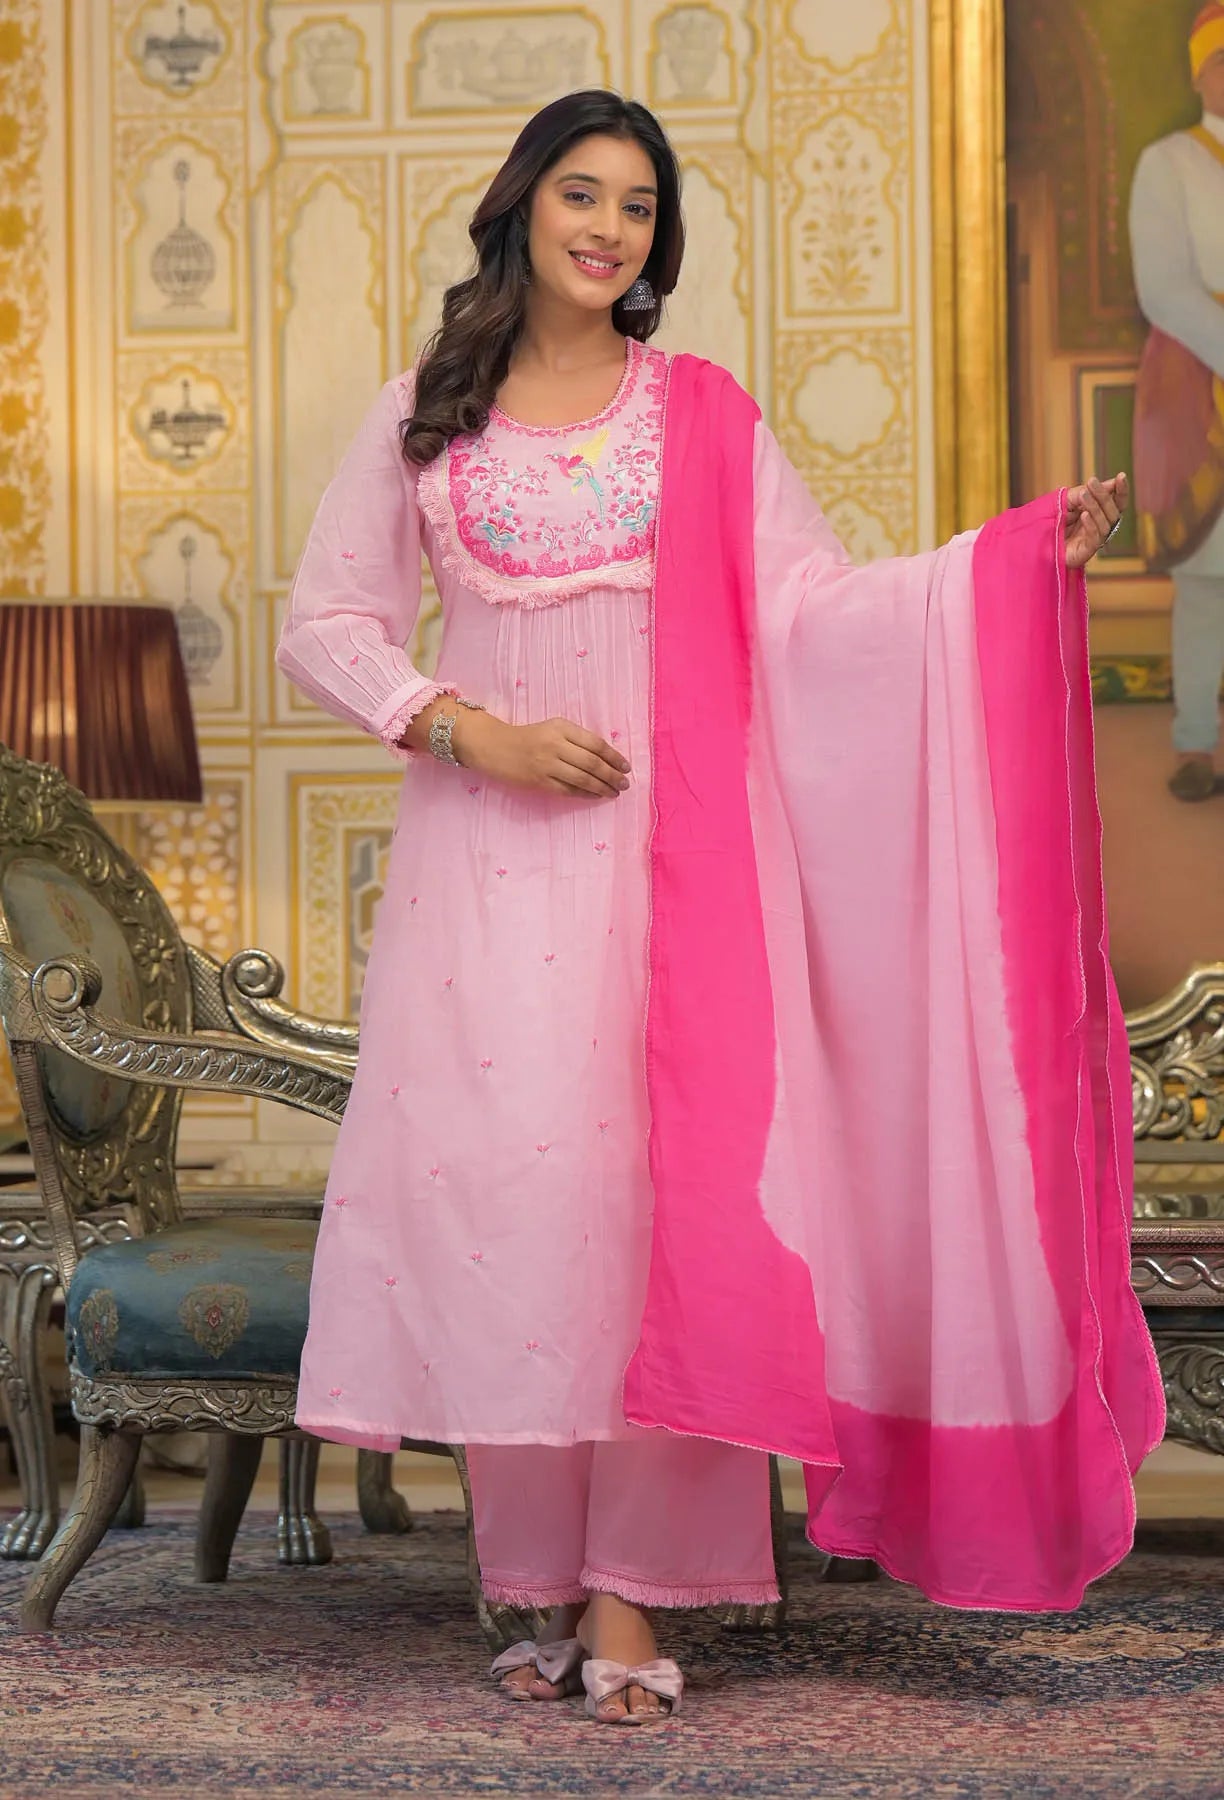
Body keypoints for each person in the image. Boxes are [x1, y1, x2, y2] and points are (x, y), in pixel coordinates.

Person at [277, 90, 1165, 1726]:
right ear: (521, 206)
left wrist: (1004, 564)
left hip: (674, 880)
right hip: (482, 883)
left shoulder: (697, 415)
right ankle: (535, 1579)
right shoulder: (425, 415)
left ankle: (634, 1590)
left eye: (636, 206)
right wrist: (471, 731)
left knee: (660, 1217)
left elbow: (818, 612)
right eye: (581, 194)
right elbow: (324, 624)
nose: (607, 228)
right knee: (522, 1219)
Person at [1130, 2, 1224, 801]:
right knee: (1206, 577)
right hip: (1197, 382)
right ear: (1200, 75)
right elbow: (1164, 287)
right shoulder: (1167, 164)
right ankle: (1196, 741)